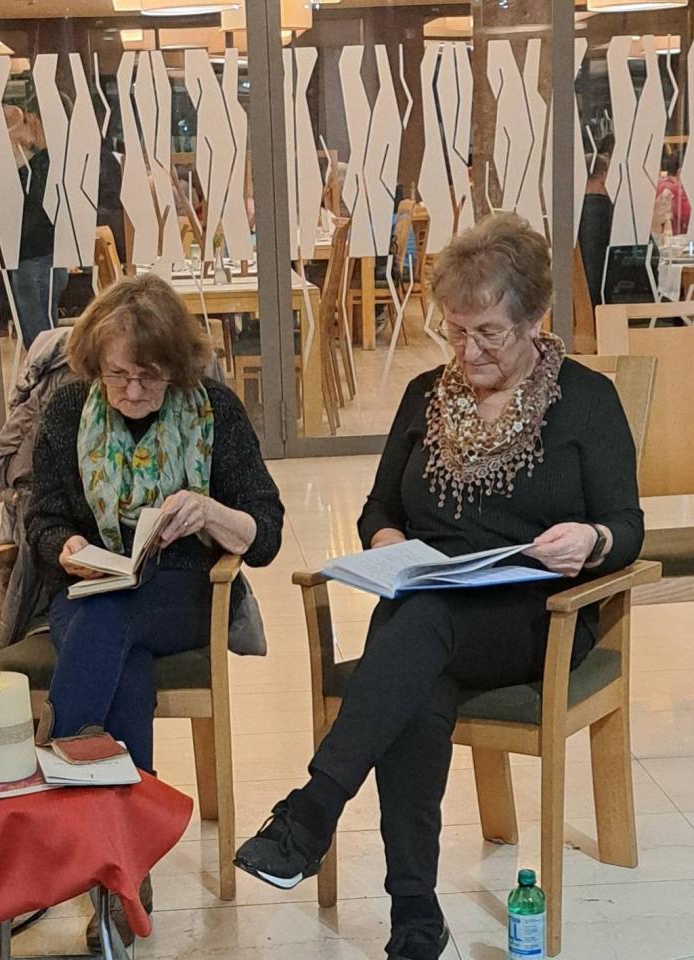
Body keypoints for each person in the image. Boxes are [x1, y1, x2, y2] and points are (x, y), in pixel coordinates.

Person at [234, 213, 643, 960]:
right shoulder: (426, 394)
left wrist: (592, 540)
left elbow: (627, 525)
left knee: (417, 629)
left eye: (489, 333)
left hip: (534, 614)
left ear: (535, 320)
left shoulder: (585, 401)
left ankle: (312, 810)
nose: (468, 351)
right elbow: (378, 509)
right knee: (417, 674)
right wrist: (387, 544)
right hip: (429, 609)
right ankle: (414, 918)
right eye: (455, 331)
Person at [25, 273, 283, 948]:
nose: (132, 392)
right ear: (95, 364)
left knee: (110, 624)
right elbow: (42, 519)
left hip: (182, 595)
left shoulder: (213, 410)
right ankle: (123, 874)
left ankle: (57, 791)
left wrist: (212, 512)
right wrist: (67, 546)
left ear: (176, 367)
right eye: (118, 375)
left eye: (149, 377)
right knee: (125, 668)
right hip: (91, 590)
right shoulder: (68, 409)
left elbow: (266, 532)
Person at [6, 100, 69, 350]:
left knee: (41, 343)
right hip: (44, 255)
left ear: (33, 120)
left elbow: (31, 203)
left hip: (36, 256)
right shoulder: (57, 158)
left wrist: (16, 142)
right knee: (45, 336)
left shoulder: (42, 164)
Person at [578, 153, 613, 307]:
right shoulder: (609, 212)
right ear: (604, 176)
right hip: (609, 303)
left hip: (577, 304)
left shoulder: (569, 215)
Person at [653, 149, 691, 237]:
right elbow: (689, 217)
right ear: (680, 172)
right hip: (677, 242)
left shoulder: (658, 186)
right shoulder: (677, 192)